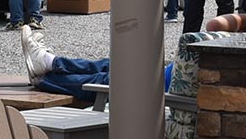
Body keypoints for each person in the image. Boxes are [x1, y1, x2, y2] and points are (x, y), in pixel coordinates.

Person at [19, 28, 173, 100]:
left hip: (155, 93)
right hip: (158, 79)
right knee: (112, 64)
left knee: (105, 80)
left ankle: (46, 77)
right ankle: (50, 63)